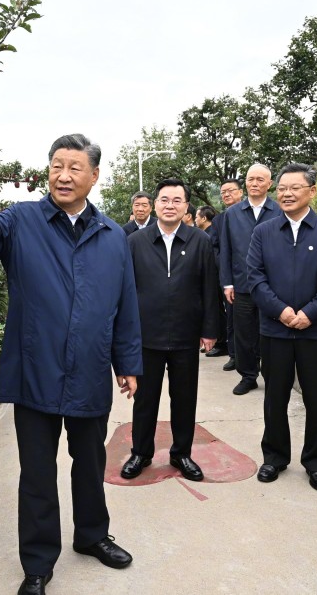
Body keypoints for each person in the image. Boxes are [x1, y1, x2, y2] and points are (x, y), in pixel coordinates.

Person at [0, 134, 143, 595]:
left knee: (90, 460)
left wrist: (128, 363)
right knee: (37, 472)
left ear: (94, 176)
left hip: (89, 369)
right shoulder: (22, 221)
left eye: (75, 167)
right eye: (57, 165)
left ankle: (92, 536)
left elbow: (126, 304)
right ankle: (38, 563)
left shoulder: (114, 236)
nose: (63, 174)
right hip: (34, 370)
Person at [246, 163, 317, 493]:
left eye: (294, 188)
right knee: (274, 397)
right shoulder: (263, 232)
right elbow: (255, 278)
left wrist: (310, 312)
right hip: (275, 331)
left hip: (315, 331)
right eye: (282, 189)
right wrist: (281, 311)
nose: (287, 194)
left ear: (312, 191)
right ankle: (274, 457)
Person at [120, 180, 219, 481]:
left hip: (185, 336)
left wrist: (210, 329)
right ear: (155, 204)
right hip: (146, 337)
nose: (170, 205)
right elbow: (123, 291)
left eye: (177, 200)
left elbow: (209, 288)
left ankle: (181, 454)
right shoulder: (135, 242)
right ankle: (141, 453)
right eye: (164, 199)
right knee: (144, 400)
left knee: (184, 398)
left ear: (186, 206)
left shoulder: (199, 241)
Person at [218, 165, 280, 394]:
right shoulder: (232, 214)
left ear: (269, 184)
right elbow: (226, 250)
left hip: (272, 286)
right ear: (245, 183)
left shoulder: (279, 210)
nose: (254, 183)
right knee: (244, 333)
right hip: (241, 285)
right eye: (250, 179)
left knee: (270, 332)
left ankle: (272, 375)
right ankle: (248, 375)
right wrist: (227, 283)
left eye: (260, 180)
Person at [214, 179, 245, 371]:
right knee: (233, 321)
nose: (226, 194)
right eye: (223, 192)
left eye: (230, 191)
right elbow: (218, 249)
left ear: (241, 192)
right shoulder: (220, 219)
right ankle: (235, 356)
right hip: (233, 280)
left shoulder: (256, 214)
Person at [196, 205, 228, 358]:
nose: (196, 219)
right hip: (215, 275)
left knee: (218, 309)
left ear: (203, 218)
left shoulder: (207, 235)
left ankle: (222, 342)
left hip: (217, 275)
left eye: (197, 216)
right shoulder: (205, 233)